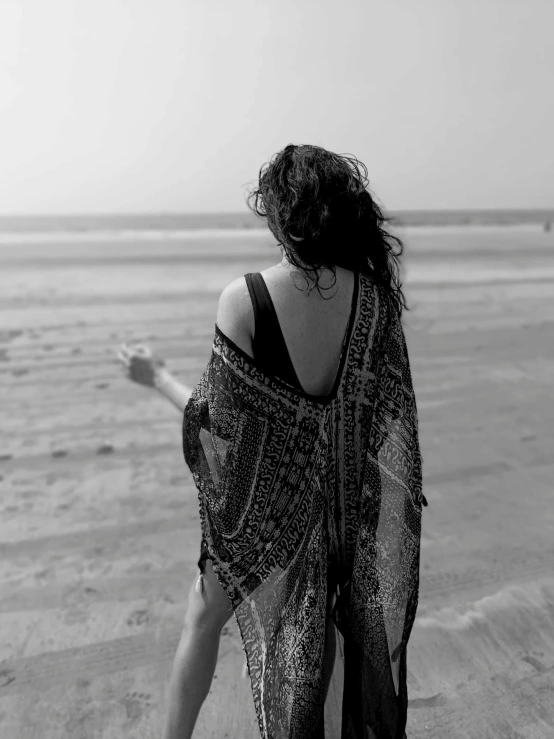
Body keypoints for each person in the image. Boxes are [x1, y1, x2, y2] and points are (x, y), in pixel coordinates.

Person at [117, 143, 427, 739]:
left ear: (281, 217)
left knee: (202, 617)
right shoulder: (375, 303)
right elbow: (387, 429)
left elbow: (221, 432)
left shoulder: (246, 299)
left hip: (271, 522)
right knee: (329, 630)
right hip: (351, 524)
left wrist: (154, 376)